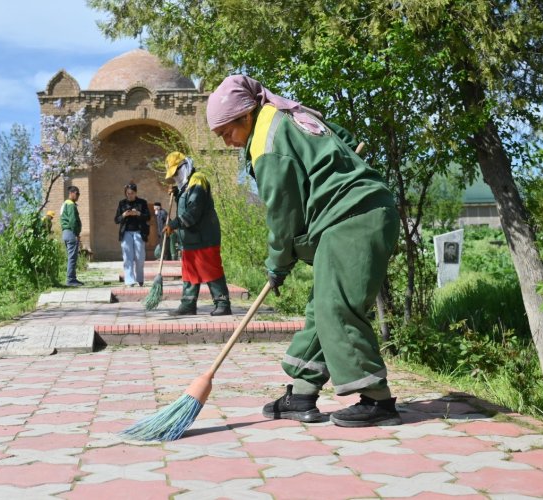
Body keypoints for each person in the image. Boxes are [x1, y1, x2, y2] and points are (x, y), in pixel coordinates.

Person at [206, 75, 401, 427]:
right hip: (354, 215)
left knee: (336, 307)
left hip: (353, 216)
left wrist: (277, 262)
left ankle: (377, 401)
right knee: (322, 306)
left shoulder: (266, 141)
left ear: (245, 115)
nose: (228, 141)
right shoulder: (286, 116)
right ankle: (301, 393)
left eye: (226, 132)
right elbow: (346, 139)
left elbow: (283, 213)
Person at [163, 152, 232, 316]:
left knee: (211, 270)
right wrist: (177, 192)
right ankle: (188, 304)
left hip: (204, 236)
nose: (175, 178)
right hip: (190, 239)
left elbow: (194, 211)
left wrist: (173, 224)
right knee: (189, 271)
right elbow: (186, 200)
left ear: (184, 167)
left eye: (176, 173)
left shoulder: (198, 180)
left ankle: (223, 303)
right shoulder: (186, 185)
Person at [114, 183, 150, 287]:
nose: (130, 195)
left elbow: (148, 217)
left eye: (132, 193)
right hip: (126, 233)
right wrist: (124, 215)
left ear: (136, 192)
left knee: (140, 256)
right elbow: (116, 219)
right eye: (128, 193)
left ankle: (139, 278)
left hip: (139, 232)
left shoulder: (142, 203)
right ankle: (129, 280)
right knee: (127, 257)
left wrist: (138, 214)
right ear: (125, 193)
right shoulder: (122, 203)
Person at [60, 186, 83, 287]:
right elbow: (73, 221)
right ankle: (70, 280)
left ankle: (72, 278)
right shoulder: (70, 204)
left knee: (71, 257)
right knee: (72, 257)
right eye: (77, 193)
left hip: (66, 232)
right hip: (71, 232)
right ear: (72, 193)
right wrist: (77, 233)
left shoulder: (65, 204)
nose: (78, 196)